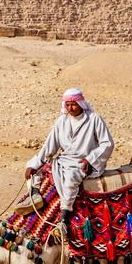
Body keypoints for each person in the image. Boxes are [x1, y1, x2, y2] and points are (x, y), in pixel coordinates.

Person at [15, 88, 114, 218]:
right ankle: (34, 196)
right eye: (67, 105)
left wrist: (90, 159)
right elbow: (49, 146)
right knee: (37, 172)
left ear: (81, 104)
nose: (70, 108)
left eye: (73, 104)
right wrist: (34, 165)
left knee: (70, 179)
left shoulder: (94, 119)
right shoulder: (62, 121)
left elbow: (107, 143)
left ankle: (64, 217)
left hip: (81, 162)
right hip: (63, 160)